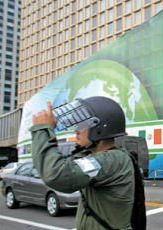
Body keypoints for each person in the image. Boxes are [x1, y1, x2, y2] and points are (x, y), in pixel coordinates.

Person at [30, 96, 146, 230]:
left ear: (99, 128)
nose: (76, 130)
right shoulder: (97, 156)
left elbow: (56, 174)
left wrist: (42, 129)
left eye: (82, 125)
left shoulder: (113, 160)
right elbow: (67, 164)